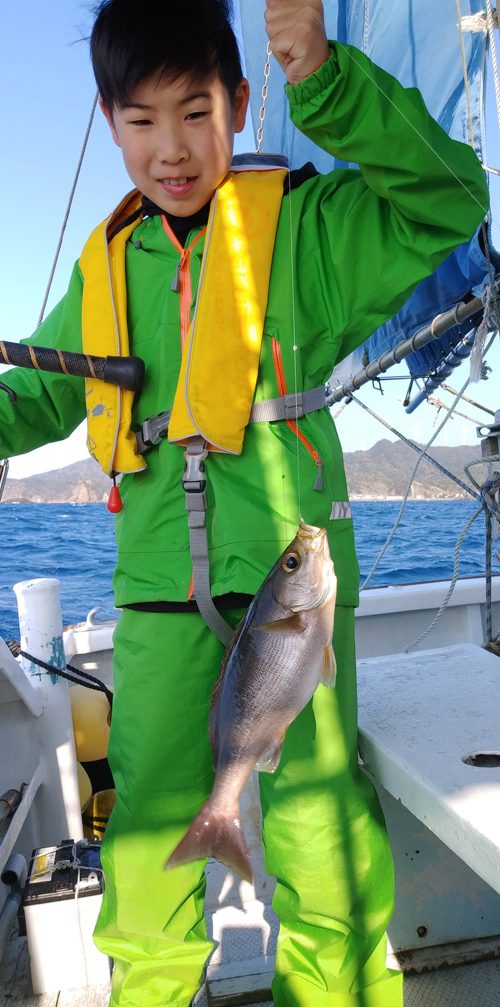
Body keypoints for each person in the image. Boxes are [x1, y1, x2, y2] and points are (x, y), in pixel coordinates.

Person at [0, 0, 489, 1004]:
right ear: (107, 121)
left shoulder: (307, 231)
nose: (171, 149)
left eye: (195, 112)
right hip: (154, 603)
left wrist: (326, 78)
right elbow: (36, 394)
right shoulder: (106, 267)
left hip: (288, 597)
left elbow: (447, 198)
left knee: (322, 841)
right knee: (144, 847)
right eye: (142, 121)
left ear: (238, 101)